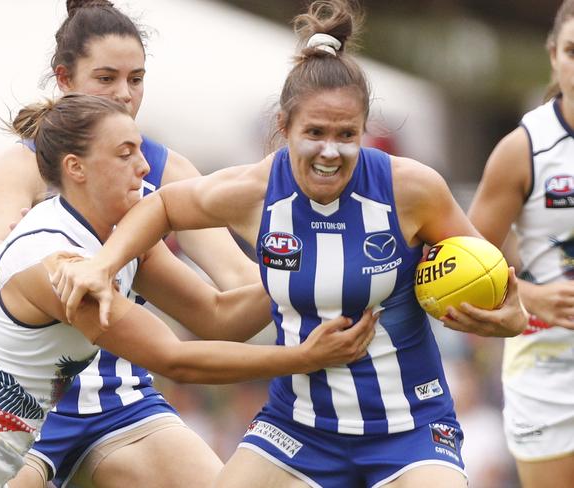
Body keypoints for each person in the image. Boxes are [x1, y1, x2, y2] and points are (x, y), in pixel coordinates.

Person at [50, 2, 528, 487]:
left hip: (411, 428)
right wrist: (103, 265)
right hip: (298, 429)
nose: (329, 151)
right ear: (285, 126)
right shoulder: (257, 191)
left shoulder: (412, 190)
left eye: (347, 134)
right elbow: (164, 207)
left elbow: (489, 275)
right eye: (314, 132)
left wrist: (510, 317)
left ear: (365, 132)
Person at [0, 94, 376, 488]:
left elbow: (218, 315)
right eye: (125, 154)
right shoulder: (56, 262)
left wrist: (298, 263)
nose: (144, 166)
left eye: (140, 150)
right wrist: (305, 357)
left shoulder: (119, 240)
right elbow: (175, 360)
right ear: (75, 168)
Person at [0, 1, 268, 487]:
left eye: (136, 79)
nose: (124, 95)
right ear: (64, 78)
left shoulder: (165, 171)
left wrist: (313, 270)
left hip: (119, 400)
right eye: (106, 78)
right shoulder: (25, 165)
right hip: (26, 404)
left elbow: (236, 288)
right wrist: (60, 260)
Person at [468, 1, 574, 486]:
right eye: (573, 51)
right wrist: (532, 297)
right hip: (547, 367)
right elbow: (458, 265)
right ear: (553, 55)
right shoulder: (523, 149)